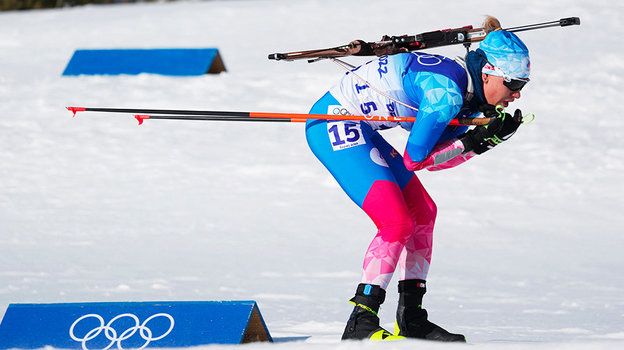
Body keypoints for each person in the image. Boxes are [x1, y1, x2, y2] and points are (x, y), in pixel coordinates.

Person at [305, 17, 530, 342]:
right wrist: (476, 142)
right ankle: (360, 323)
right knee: (396, 223)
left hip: (362, 128)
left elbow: (432, 160)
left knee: (423, 213)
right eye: (514, 84)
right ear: (488, 73)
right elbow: (416, 159)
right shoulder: (447, 96)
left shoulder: (467, 94)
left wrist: (482, 142)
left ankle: (411, 318)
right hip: (332, 123)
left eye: (523, 86)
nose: (517, 95)